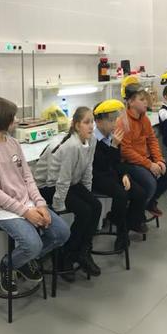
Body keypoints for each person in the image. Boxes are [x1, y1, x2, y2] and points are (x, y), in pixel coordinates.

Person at [0, 96, 70, 293]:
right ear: (2, 120)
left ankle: (23, 261)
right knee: (33, 244)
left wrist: (40, 204)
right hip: (0, 209)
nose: (16, 120)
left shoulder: (13, 143)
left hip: (27, 203)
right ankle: (8, 264)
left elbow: (27, 177)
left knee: (61, 233)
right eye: (13, 117)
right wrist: (26, 212)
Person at [34, 106, 102, 277]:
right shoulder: (71, 145)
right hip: (48, 186)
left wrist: (87, 195)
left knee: (96, 206)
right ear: (77, 125)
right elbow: (61, 180)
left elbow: (88, 169)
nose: (91, 126)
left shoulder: (92, 140)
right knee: (84, 211)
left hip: (70, 182)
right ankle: (66, 256)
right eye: (86, 122)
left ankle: (84, 251)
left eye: (92, 122)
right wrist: (58, 206)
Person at [91, 99, 148, 250]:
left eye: (115, 119)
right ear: (98, 122)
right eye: (110, 120)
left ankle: (121, 221)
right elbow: (101, 165)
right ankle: (122, 232)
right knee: (122, 195)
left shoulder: (112, 136)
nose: (114, 124)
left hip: (112, 174)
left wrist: (124, 175)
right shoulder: (93, 140)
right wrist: (114, 146)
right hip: (98, 176)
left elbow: (118, 162)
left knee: (140, 193)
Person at [120, 82, 167, 217]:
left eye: (145, 99)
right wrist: (149, 165)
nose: (146, 102)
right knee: (150, 183)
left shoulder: (144, 118)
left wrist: (159, 160)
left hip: (145, 158)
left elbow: (152, 140)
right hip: (131, 162)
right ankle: (136, 215)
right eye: (142, 99)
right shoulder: (123, 121)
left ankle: (149, 202)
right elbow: (126, 151)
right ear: (130, 102)